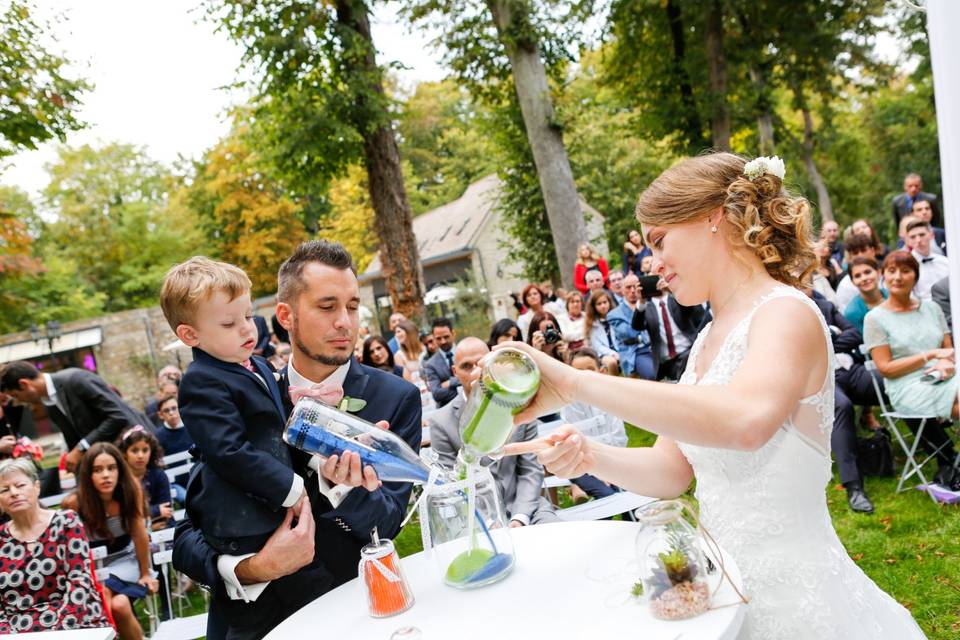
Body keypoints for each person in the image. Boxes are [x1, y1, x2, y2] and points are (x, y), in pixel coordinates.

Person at [501, 152, 926, 638]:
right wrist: (587, 455)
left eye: (660, 241)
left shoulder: (785, 313)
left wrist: (577, 383)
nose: (653, 264)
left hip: (801, 606)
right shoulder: (707, 339)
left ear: (713, 216)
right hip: (726, 593)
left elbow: (746, 422)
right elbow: (672, 471)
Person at [172, 240, 421, 640]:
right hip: (252, 622)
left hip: (353, 611)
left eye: (353, 306)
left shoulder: (396, 398)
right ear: (285, 315)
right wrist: (252, 569)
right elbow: (187, 535)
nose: (345, 322)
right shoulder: (233, 387)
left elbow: (389, 520)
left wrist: (341, 486)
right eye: (327, 307)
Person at [427, 337, 557, 526]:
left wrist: (520, 518)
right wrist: (488, 522)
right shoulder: (441, 421)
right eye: (465, 366)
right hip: (475, 519)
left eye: (478, 363)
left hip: (529, 508)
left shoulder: (520, 407)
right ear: (455, 372)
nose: (473, 372)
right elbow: (451, 485)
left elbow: (530, 470)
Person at [864, 251, 959, 484]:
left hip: (943, 374)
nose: (898, 277)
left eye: (905, 271)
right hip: (906, 385)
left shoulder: (932, 309)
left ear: (915, 277)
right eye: (892, 271)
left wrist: (945, 363)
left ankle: (951, 460)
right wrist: (929, 355)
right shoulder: (875, 318)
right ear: (883, 276)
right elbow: (885, 368)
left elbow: (949, 350)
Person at [0, 457, 111, 633]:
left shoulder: (66, 522)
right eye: (4, 490)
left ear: (36, 487)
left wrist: (57, 630)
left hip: (75, 622)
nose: (14, 493)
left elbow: (80, 582)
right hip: (18, 631)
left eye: (20, 485)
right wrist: (8, 635)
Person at [62, 443, 158, 640]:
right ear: (88, 475)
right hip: (91, 566)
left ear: (120, 470)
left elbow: (139, 534)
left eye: (111, 468)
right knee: (120, 606)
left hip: (127, 560)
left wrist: (145, 573)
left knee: (106, 592)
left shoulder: (130, 492)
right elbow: (69, 548)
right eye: (98, 470)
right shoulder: (74, 503)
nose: (106, 475)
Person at [1, 362, 151, 473]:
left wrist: (80, 449)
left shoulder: (76, 379)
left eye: (15, 395)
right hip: (112, 463)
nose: (19, 401)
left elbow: (118, 416)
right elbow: (74, 439)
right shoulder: (49, 403)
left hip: (138, 453)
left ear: (24, 384)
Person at [809, 290, 883, 513]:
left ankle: (946, 458)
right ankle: (854, 487)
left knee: (892, 384)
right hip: (820, 378)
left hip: (850, 369)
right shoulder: (783, 310)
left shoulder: (825, 306)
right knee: (841, 406)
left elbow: (855, 333)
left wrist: (828, 342)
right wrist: (833, 336)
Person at [560, 348, 631, 505]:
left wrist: (611, 468)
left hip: (614, 460)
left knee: (629, 491)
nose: (585, 376)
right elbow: (577, 444)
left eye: (590, 370)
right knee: (609, 497)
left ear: (601, 371)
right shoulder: (570, 403)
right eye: (579, 371)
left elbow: (618, 437)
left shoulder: (609, 398)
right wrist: (599, 471)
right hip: (581, 465)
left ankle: (632, 524)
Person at [631, 279, 708, 381]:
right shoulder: (647, 307)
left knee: (687, 365)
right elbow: (637, 326)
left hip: (687, 351)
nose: (656, 285)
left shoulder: (676, 300)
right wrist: (641, 301)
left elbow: (693, 310)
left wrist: (672, 290)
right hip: (666, 361)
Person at [116, 425, 172, 530]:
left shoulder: (159, 475)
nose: (140, 455)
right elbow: (125, 516)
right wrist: (156, 512)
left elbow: (167, 510)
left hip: (163, 528)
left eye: (145, 450)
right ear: (124, 453)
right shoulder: (119, 479)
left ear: (151, 452)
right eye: (134, 450)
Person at [606, 274, 655, 380]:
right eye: (628, 287)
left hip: (657, 346)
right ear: (622, 290)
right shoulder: (614, 314)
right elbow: (630, 333)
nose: (633, 290)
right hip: (634, 351)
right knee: (651, 374)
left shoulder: (651, 305)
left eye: (636, 286)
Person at [154, 394, 192, 505]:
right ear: (160, 415)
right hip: (175, 482)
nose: (171, 413)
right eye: (166, 410)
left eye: (174, 408)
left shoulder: (192, 427)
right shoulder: (158, 437)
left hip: (199, 475)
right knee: (189, 500)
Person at [834, 233, 883, 313]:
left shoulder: (888, 274)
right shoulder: (846, 286)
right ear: (850, 257)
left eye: (863, 250)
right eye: (855, 253)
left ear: (873, 251)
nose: (860, 255)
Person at [906, 220, 950, 301]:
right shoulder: (906, 266)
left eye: (922, 235)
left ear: (931, 235)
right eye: (913, 237)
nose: (918, 240)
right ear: (908, 241)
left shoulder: (945, 262)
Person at [842, 257, 888, 335]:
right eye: (857, 276)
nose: (864, 278)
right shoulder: (852, 312)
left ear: (879, 273)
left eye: (867, 272)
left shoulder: (894, 295)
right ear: (852, 282)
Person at [423, 317, 460, 407]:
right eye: (438, 338)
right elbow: (437, 394)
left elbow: (475, 378)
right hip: (447, 408)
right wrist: (462, 386)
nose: (443, 341)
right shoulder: (430, 364)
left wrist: (450, 382)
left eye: (446, 337)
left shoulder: (466, 352)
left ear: (453, 333)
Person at [584, 290, 621, 376]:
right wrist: (613, 353)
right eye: (599, 304)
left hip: (619, 349)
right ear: (594, 306)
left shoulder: (616, 317)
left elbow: (621, 337)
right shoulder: (591, 323)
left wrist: (620, 352)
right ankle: (615, 383)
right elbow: (598, 346)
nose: (603, 306)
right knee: (612, 362)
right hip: (602, 354)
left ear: (609, 302)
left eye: (605, 302)